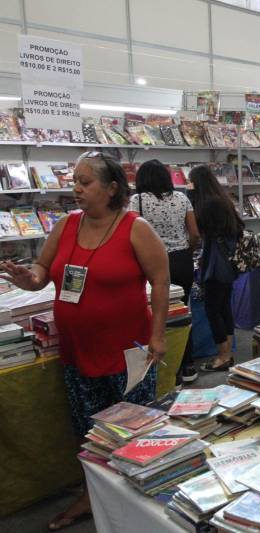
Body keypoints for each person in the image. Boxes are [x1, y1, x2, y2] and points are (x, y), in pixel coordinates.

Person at [0, 152, 169, 531]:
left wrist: (158, 335)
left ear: (111, 189)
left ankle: (138, 500)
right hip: (78, 351)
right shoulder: (67, 224)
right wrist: (29, 278)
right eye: (74, 180)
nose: (76, 188)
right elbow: (43, 271)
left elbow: (160, 281)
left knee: (134, 429)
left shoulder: (135, 227)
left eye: (85, 182)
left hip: (130, 353)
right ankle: (93, 496)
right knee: (90, 431)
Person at [130, 160, 200, 383]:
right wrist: (184, 249)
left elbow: (129, 233)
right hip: (181, 261)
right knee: (182, 312)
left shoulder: (137, 200)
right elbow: (195, 233)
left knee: (154, 314)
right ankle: (187, 365)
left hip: (149, 263)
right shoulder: (181, 198)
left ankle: (161, 369)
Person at [189, 165, 244, 372]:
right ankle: (227, 353)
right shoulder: (222, 199)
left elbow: (199, 230)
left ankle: (222, 355)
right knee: (223, 307)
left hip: (215, 263)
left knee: (213, 309)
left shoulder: (207, 204)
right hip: (227, 262)